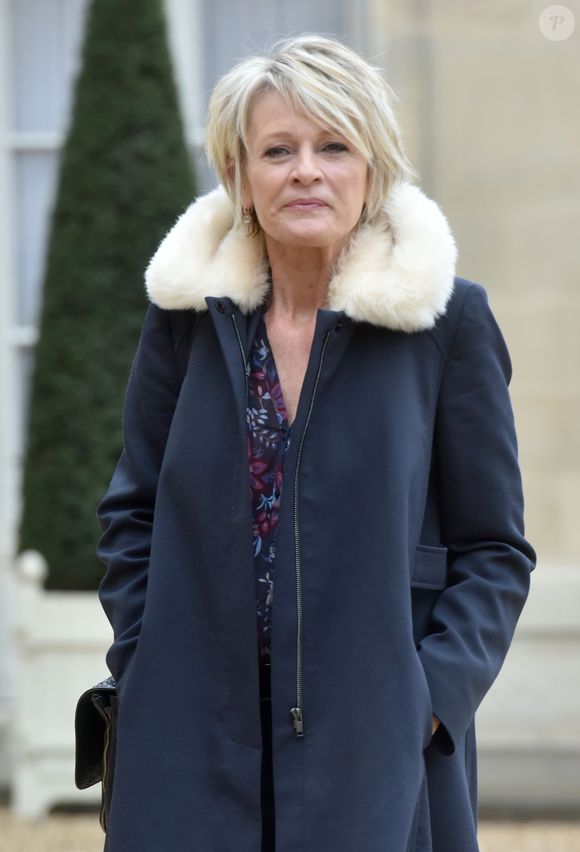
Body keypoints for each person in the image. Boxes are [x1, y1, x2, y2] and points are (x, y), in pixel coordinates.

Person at [96, 34, 535, 852]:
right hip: (189, 734)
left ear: (371, 169)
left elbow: (495, 549)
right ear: (239, 175)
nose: (306, 170)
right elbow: (132, 512)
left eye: (334, 145)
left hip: (375, 744)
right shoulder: (185, 322)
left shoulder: (447, 324)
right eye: (278, 150)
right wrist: (143, 659)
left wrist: (429, 697)